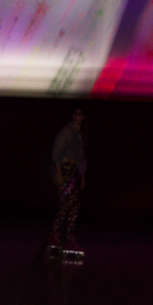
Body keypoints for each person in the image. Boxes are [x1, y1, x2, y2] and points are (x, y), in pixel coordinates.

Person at [51, 107, 86, 257]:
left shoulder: (79, 134)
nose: (78, 116)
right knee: (69, 204)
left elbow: (81, 157)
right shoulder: (67, 131)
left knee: (71, 205)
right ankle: (62, 237)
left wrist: (82, 176)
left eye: (80, 114)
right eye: (75, 113)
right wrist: (59, 174)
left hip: (72, 172)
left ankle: (61, 236)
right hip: (64, 171)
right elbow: (56, 153)